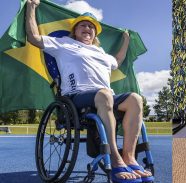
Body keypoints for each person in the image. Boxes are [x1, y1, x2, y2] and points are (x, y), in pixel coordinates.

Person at [26, 0, 154, 183]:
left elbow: (118, 60)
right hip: (77, 97)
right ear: (75, 31)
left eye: (91, 26)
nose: (87, 28)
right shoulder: (63, 44)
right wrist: (31, 7)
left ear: (95, 33)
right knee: (105, 94)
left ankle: (129, 158)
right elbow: (33, 37)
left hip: (105, 97)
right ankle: (116, 159)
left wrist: (126, 39)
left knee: (135, 99)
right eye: (82, 25)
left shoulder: (101, 52)